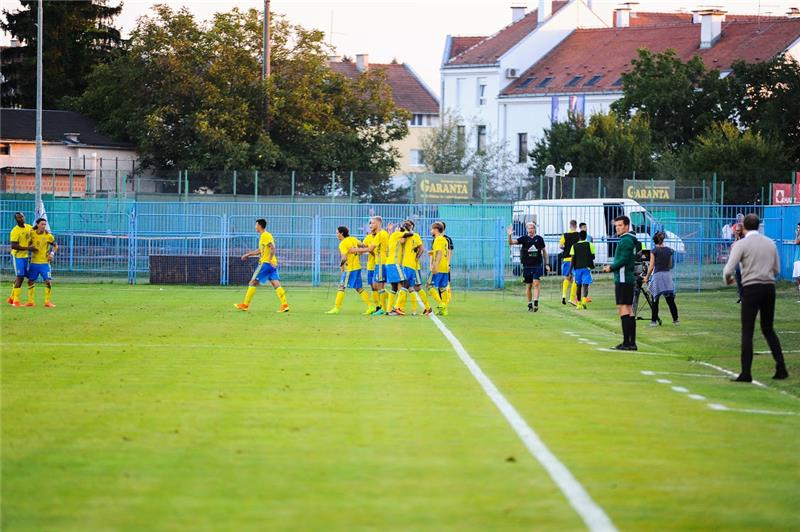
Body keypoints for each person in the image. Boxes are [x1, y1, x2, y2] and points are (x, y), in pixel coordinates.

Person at [723, 214, 788, 382]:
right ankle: (781, 367)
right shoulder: (770, 243)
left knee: (748, 330)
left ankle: (746, 372)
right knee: (768, 328)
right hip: (769, 288)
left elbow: (729, 269)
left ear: (744, 227)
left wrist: (728, 279)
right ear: (759, 226)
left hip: (751, 288)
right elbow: (777, 269)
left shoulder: (741, 244)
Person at [234, 218, 289, 312]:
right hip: (272, 264)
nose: (255, 227)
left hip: (266, 263)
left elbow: (272, 248)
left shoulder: (265, 235)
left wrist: (270, 259)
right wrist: (248, 254)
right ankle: (285, 305)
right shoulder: (264, 236)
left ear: (260, 226)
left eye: (256, 225)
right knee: (276, 283)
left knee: (252, 282)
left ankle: (245, 305)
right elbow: (260, 250)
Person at [603, 215, 639, 351]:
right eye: (616, 225)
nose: (617, 228)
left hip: (623, 278)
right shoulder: (631, 239)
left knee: (623, 308)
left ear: (626, 226)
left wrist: (610, 267)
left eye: (620, 225)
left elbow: (623, 259)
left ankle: (627, 343)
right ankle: (631, 342)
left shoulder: (626, 240)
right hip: (627, 278)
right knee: (629, 309)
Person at [326, 226, 374, 315]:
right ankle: (371, 306)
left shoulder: (343, 243)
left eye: (337, 233)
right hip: (357, 267)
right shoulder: (353, 239)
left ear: (342, 233)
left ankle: (336, 308)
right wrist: (367, 248)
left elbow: (344, 257)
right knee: (359, 288)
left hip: (350, 269)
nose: (336, 235)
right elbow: (362, 245)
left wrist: (341, 265)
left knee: (341, 287)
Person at [507, 222, 548, 312]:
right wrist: (509, 235)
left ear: (534, 229)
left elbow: (544, 251)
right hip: (527, 266)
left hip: (537, 265)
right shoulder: (524, 239)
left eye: (531, 228)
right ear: (527, 229)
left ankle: (536, 301)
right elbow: (510, 243)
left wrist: (546, 264)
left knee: (536, 283)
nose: (530, 230)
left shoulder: (539, 239)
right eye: (528, 228)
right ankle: (530, 303)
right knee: (529, 286)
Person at [643, 231, 678, 326]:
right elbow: (670, 265)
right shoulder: (669, 250)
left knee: (655, 299)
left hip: (658, 276)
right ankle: (676, 320)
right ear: (663, 240)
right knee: (670, 300)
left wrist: (646, 277)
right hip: (667, 276)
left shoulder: (654, 251)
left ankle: (654, 321)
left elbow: (651, 266)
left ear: (654, 241)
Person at [399, 220, 432, 316]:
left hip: (413, 266)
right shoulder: (404, 236)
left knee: (415, 287)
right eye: (406, 225)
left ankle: (427, 307)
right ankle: (405, 308)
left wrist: (416, 258)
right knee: (408, 287)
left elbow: (421, 248)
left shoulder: (416, 236)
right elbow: (401, 241)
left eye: (409, 225)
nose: (408, 227)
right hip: (405, 264)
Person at [26, 218, 58, 307]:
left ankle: (47, 302)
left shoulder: (48, 236)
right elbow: (27, 243)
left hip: (44, 263)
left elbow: (55, 246)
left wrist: (52, 253)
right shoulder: (32, 233)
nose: (44, 226)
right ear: (37, 224)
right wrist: (30, 247)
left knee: (48, 281)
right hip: (34, 262)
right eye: (42, 224)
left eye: (45, 224)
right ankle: (31, 302)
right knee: (30, 281)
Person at [361, 216, 389, 315]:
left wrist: (354, 250)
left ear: (378, 223)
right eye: (370, 223)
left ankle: (384, 307)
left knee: (378, 285)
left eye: (372, 223)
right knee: (376, 285)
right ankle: (383, 307)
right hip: (378, 263)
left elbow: (370, 249)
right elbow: (367, 247)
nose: (370, 225)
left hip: (381, 262)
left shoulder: (381, 234)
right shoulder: (378, 234)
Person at [8, 212, 34, 308]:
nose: (21, 219)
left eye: (22, 217)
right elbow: (14, 246)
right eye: (19, 218)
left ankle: (11, 298)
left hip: (25, 256)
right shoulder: (15, 231)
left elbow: (34, 235)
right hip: (17, 256)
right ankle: (16, 301)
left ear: (24, 217)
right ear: (16, 219)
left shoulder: (29, 227)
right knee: (20, 276)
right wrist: (28, 248)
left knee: (23, 276)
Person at [384, 223, 408, 314]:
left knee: (394, 287)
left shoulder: (393, 237)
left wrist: (390, 230)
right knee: (406, 283)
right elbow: (409, 234)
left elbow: (402, 241)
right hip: (394, 264)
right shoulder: (396, 235)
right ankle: (397, 307)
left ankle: (388, 309)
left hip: (389, 264)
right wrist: (407, 229)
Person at [428, 221, 450, 316]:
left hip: (439, 266)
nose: (431, 231)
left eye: (432, 229)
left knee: (430, 286)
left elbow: (439, 253)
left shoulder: (438, 239)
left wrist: (435, 265)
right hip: (445, 267)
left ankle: (441, 304)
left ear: (436, 230)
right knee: (442, 287)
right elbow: (445, 252)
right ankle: (444, 310)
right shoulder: (445, 240)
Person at [568, 230, 594, 310]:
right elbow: (593, 257)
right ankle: (583, 301)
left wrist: (570, 272)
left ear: (579, 237)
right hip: (586, 268)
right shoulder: (590, 244)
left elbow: (572, 260)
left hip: (577, 269)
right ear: (586, 236)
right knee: (585, 285)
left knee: (578, 286)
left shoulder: (574, 246)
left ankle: (579, 304)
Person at [559, 220, 580, 305]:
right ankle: (572, 298)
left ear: (570, 226)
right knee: (576, 279)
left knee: (567, 277)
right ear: (576, 226)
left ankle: (564, 295)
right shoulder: (578, 235)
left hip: (566, 259)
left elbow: (560, 246)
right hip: (576, 259)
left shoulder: (565, 235)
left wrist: (566, 249)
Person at [793, 222, 800, 295]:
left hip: (799, 259)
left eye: (799, 227)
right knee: (797, 277)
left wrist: (797, 234)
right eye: (797, 227)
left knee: (799, 276)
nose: (798, 229)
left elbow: (796, 242)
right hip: (797, 258)